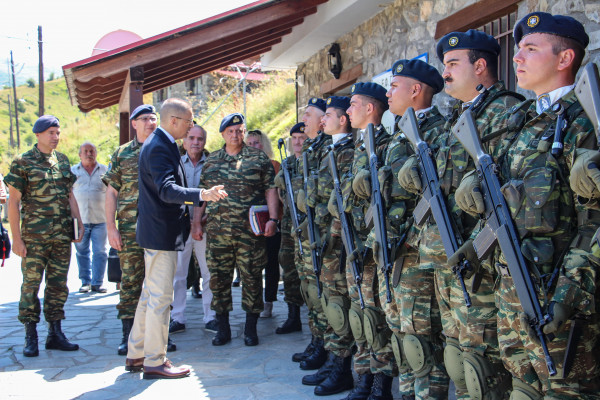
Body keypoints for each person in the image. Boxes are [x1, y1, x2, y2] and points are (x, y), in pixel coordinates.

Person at [455, 13, 600, 398]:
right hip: (511, 288)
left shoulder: (585, 124)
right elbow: (502, 201)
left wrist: (568, 293)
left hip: (559, 297)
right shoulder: (520, 120)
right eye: (517, 49)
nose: (517, 58)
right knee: (522, 388)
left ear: (565, 58)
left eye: (531, 49)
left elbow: (594, 224)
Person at [431, 29, 524, 399]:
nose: (446, 73)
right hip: (450, 254)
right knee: (459, 355)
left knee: (482, 364)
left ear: (480, 66)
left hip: (483, 260)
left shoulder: (506, 112)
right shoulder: (455, 117)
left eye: (453, 64)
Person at [126, 98, 226, 379]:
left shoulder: (162, 143)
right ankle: (155, 360)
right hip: (161, 234)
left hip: (158, 232)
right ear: (174, 121)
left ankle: (136, 354)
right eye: (189, 121)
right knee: (160, 298)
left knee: (149, 295)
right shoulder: (159, 147)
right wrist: (201, 195)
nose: (191, 126)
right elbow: (167, 190)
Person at [390, 59, 450, 399]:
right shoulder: (397, 133)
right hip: (396, 248)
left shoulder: (439, 132)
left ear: (415, 90)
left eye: (395, 85)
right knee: (404, 335)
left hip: (421, 252)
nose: (388, 92)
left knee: (423, 340)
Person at [196, 112, 278, 347]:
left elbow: (270, 189)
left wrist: (273, 219)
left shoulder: (258, 159)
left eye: (240, 130)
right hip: (218, 233)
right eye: (230, 131)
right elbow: (201, 195)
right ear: (222, 134)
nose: (235, 134)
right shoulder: (211, 161)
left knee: (252, 278)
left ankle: (251, 329)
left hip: (249, 234)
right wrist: (196, 222)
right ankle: (223, 328)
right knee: (219, 280)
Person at [5, 115, 84, 357]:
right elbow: (14, 201)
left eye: (58, 133)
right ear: (38, 134)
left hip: (61, 236)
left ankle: (55, 333)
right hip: (34, 239)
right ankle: (31, 335)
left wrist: (78, 224)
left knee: (58, 286)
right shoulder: (23, 162)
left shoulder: (61, 160)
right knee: (31, 285)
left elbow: (69, 195)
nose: (55, 137)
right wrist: (16, 239)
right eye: (51, 133)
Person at [103, 104, 176, 355]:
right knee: (131, 282)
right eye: (144, 119)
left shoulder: (164, 149)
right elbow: (111, 192)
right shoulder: (122, 154)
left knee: (160, 284)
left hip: (157, 227)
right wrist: (111, 227)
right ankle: (129, 336)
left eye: (153, 118)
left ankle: (160, 337)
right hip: (129, 228)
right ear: (133, 124)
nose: (150, 122)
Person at [301, 95, 356, 396]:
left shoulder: (348, 151)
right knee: (328, 299)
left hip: (336, 237)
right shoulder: (328, 150)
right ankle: (333, 356)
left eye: (327, 115)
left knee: (339, 303)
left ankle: (342, 364)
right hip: (323, 236)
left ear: (342, 120)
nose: (322, 121)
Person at [345, 82, 396, 398]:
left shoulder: (386, 146)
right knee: (361, 315)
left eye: (353, 104)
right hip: (356, 246)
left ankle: (381, 383)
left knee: (378, 317)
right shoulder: (360, 148)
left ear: (369, 108)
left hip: (375, 247)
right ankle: (362, 377)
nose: (348, 110)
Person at [293, 98, 331, 370]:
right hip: (306, 234)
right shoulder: (311, 147)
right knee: (311, 291)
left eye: (309, 114)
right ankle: (317, 340)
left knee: (325, 293)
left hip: (324, 235)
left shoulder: (329, 148)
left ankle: (330, 350)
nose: (304, 118)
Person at [169, 124, 217, 334]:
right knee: (178, 273)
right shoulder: (175, 163)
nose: (196, 142)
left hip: (206, 225)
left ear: (204, 141)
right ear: (184, 141)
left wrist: (203, 218)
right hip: (180, 224)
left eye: (200, 138)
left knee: (208, 272)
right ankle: (177, 317)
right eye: (191, 138)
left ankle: (211, 316)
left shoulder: (213, 163)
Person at [273, 122, 307, 334]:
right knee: (288, 266)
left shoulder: (313, 161)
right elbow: (279, 191)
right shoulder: (287, 163)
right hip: (288, 226)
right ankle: (293, 316)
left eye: (301, 138)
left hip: (308, 225)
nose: (297, 142)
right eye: (294, 138)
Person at [245, 129, 281, 319]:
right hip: (249, 225)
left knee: (271, 263)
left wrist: (274, 219)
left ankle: (269, 301)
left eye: (257, 143)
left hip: (271, 222)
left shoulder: (274, 165)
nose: (253, 146)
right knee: (252, 265)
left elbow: (278, 194)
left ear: (264, 145)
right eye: (249, 143)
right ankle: (254, 301)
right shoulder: (240, 166)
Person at [72, 141, 108, 294]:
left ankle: (97, 283)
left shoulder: (105, 171)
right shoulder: (72, 172)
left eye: (92, 151)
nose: (89, 154)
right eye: (85, 151)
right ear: (80, 154)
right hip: (79, 221)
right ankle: (85, 282)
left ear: (96, 153)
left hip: (101, 220)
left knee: (100, 251)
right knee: (82, 252)